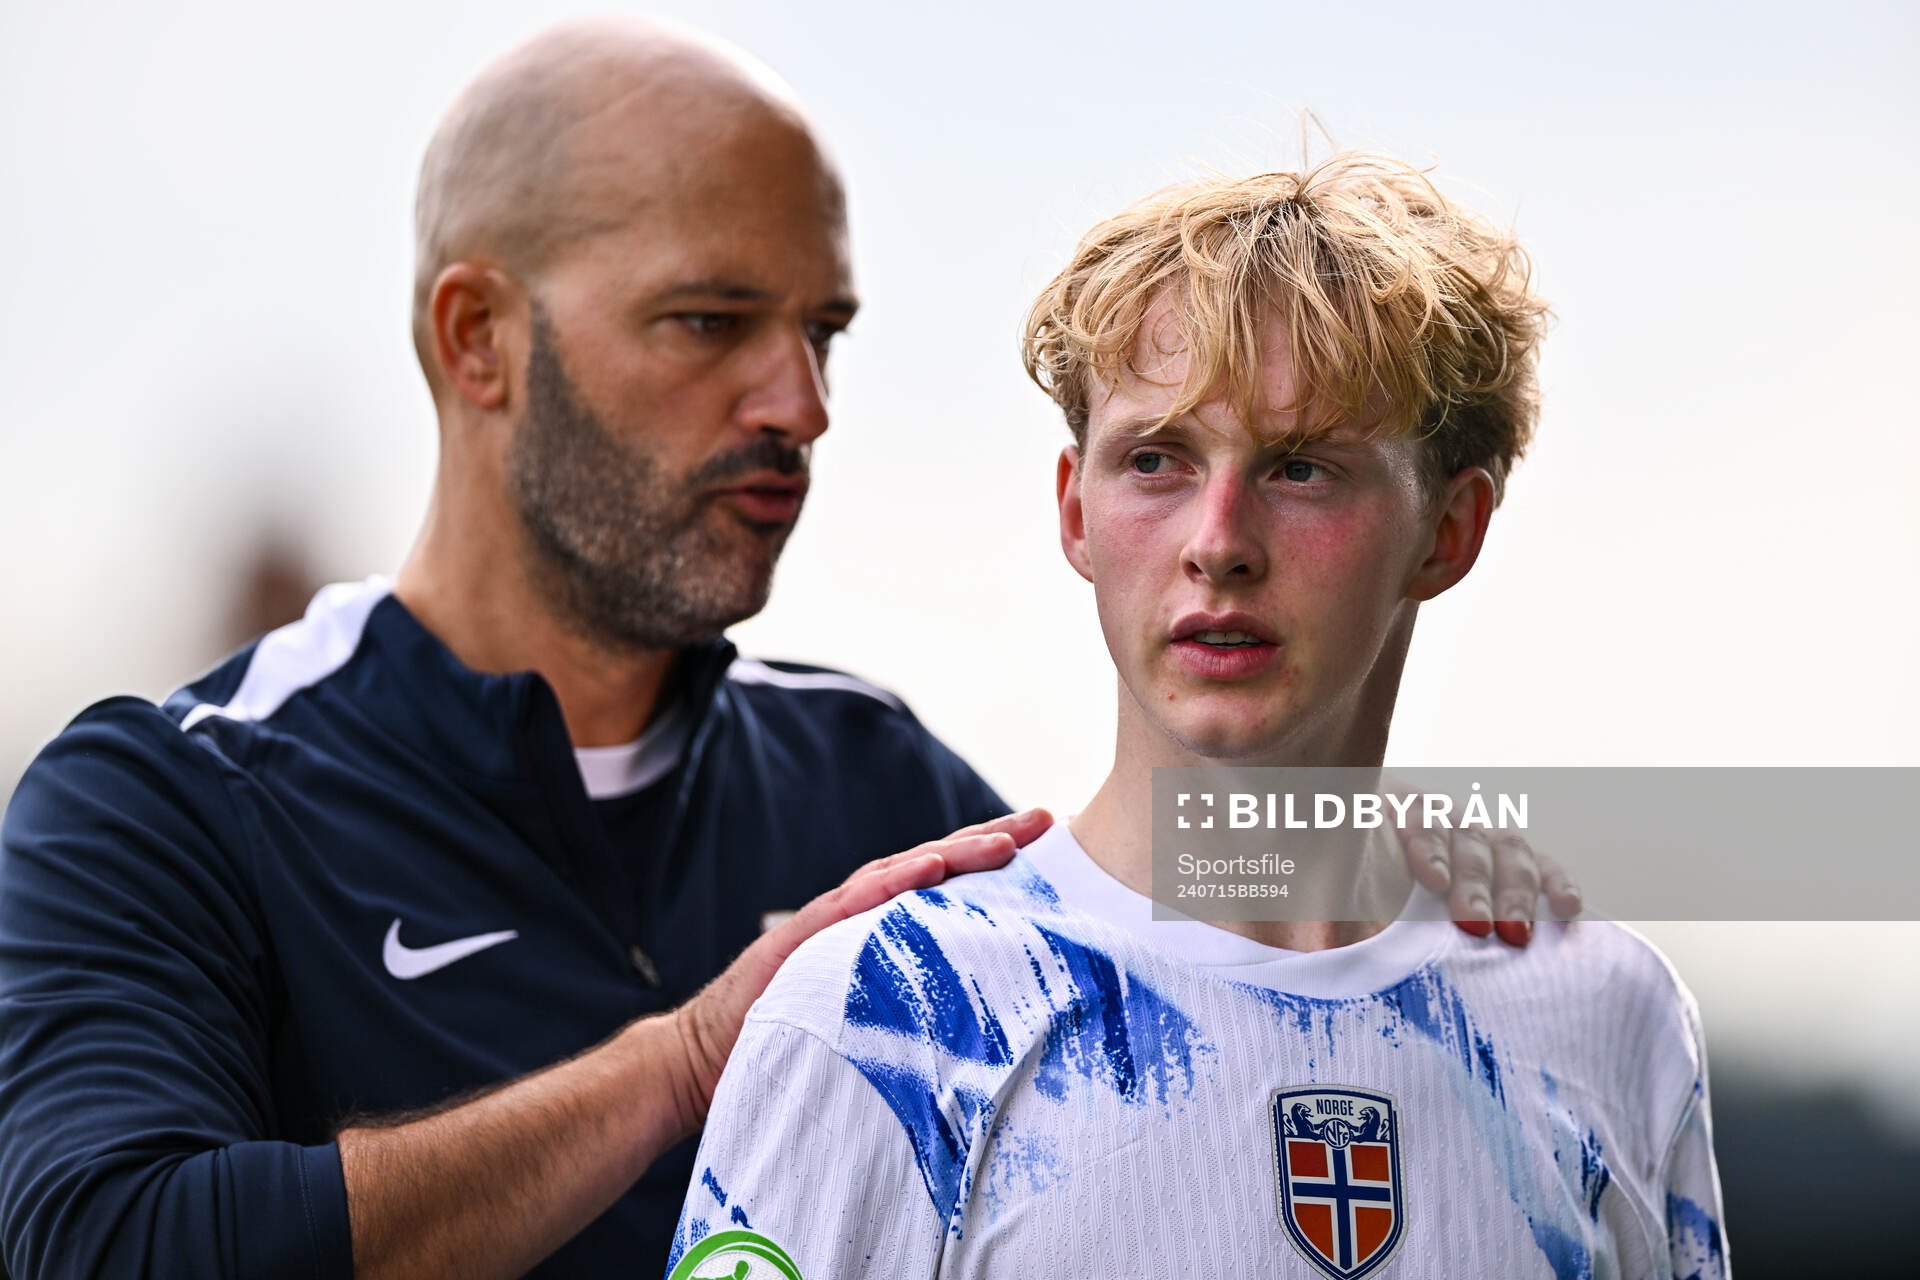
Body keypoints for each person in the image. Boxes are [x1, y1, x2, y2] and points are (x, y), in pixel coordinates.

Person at [0, 21, 1564, 1280]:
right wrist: (686, 1064)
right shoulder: (167, 801)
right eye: (710, 322)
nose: (799, 405)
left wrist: (1409, 853)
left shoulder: (872, 783)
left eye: (822, 333)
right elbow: (97, 1244)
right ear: (479, 339)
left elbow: (1171, 947)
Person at [669, 154, 1727, 1279]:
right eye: (1156, 460)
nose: (1218, 541)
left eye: (1302, 468)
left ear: (1448, 531)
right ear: (1076, 513)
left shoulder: (1609, 1016)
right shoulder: (888, 1023)